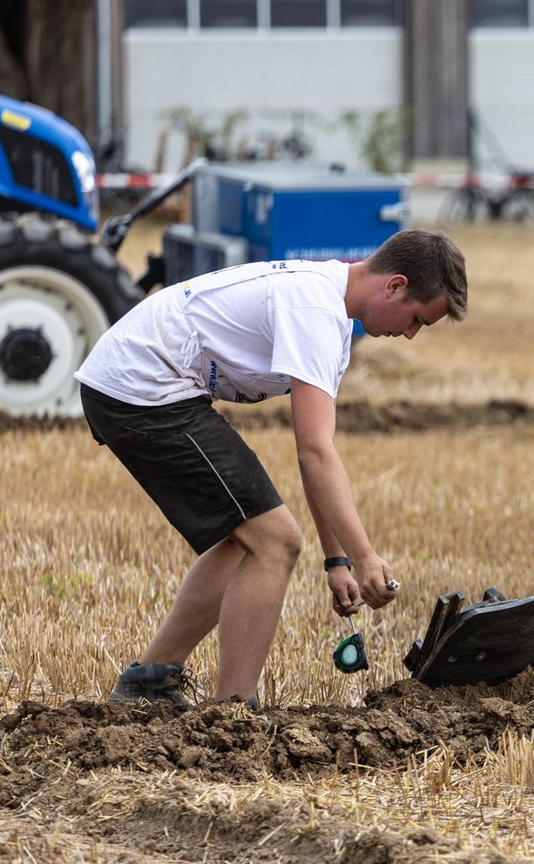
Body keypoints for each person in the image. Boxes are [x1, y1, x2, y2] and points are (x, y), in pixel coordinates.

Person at [76, 228, 468, 708]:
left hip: (136, 384)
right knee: (276, 541)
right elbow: (314, 452)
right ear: (395, 285)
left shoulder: (329, 314)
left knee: (247, 535)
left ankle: (150, 681)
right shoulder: (315, 311)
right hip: (142, 388)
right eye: (417, 319)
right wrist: (365, 556)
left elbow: (319, 457)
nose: (409, 334)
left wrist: (338, 560)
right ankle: (234, 710)